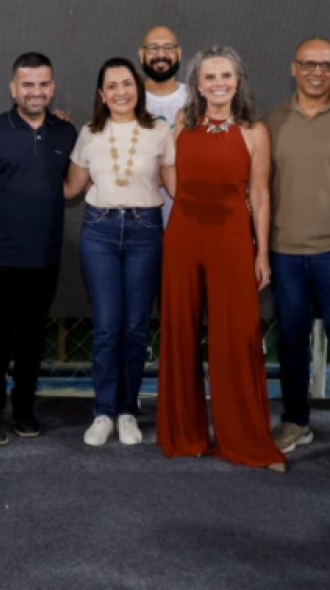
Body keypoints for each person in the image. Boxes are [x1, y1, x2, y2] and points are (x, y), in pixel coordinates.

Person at [156, 46, 286, 472]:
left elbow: (261, 196)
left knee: (237, 337)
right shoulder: (180, 123)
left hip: (232, 238)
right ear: (197, 84)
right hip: (183, 237)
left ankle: (245, 440)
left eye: (225, 76)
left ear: (238, 80)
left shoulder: (255, 132)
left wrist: (260, 251)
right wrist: (192, 203)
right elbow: (171, 177)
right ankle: (186, 435)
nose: (218, 84)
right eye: (209, 77)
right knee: (180, 332)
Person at [0, 53, 77, 445]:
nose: (36, 91)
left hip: (44, 257)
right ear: (13, 88)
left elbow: (68, 188)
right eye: (27, 84)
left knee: (32, 339)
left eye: (43, 84)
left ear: (52, 87)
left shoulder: (66, 133)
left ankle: (24, 409)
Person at [64, 57, 175, 447]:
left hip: (146, 233)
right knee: (108, 326)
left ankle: (128, 410)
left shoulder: (160, 132)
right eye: (111, 86)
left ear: (138, 88)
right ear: (101, 94)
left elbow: (178, 188)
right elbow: (69, 188)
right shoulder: (89, 133)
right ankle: (103, 412)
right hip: (100, 233)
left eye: (127, 84)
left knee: (134, 326)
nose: (120, 92)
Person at [263, 37, 330, 454]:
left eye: (325, 65)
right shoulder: (271, 121)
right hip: (285, 251)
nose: (317, 72)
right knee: (290, 339)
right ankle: (296, 421)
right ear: (294, 68)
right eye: (309, 64)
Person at [138, 26, 187, 226]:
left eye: (168, 48)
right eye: (153, 48)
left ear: (179, 54)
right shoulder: (127, 99)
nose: (161, 54)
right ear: (141, 55)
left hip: (186, 214)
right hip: (140, 218)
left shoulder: (197, 99)